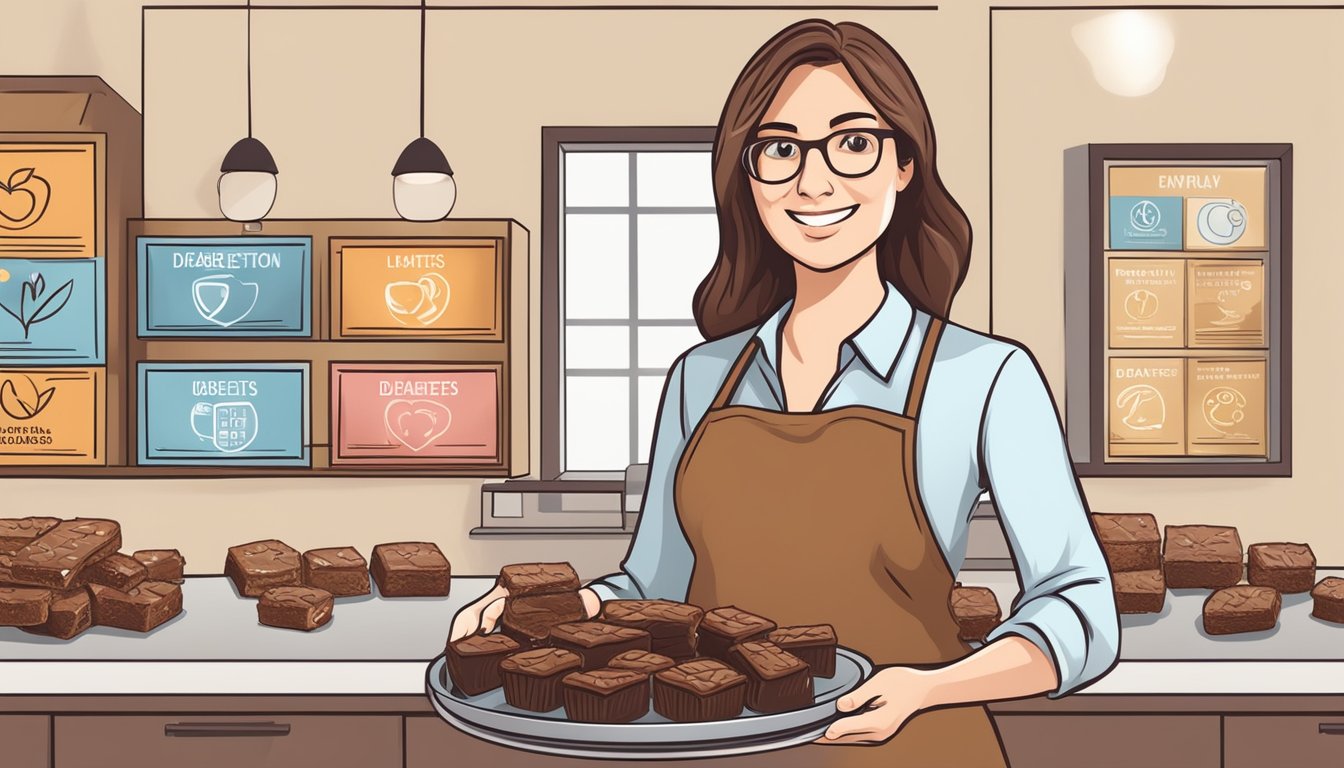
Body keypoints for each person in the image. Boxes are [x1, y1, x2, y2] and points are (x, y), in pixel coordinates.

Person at [452, 18, 1119, 767]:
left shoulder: (986, 377)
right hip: (714, 750)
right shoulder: (700, 378)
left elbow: (1080, 607)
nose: (814, 180)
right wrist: (560, 609)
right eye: (779, 149)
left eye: (854, 142)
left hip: (910, 748)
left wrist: (927, 690)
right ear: (747, 174)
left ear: (906, 163)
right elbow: (655, 581)